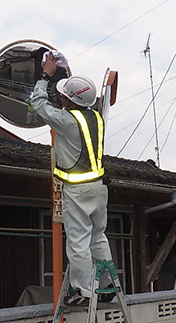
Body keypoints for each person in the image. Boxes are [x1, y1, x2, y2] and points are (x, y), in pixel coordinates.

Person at [30, 54, 114, 306]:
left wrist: (45, 74)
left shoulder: (66, 121)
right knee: (98, 238)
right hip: (98, 189)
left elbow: (38, 103)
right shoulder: (96, 117)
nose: (59, 96)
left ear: (69, 100)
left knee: (78, 242)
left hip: (77, 190)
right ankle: (107, 284)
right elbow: (84, 99)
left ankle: (84, 291)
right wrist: (67, 73)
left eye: (63, 95)